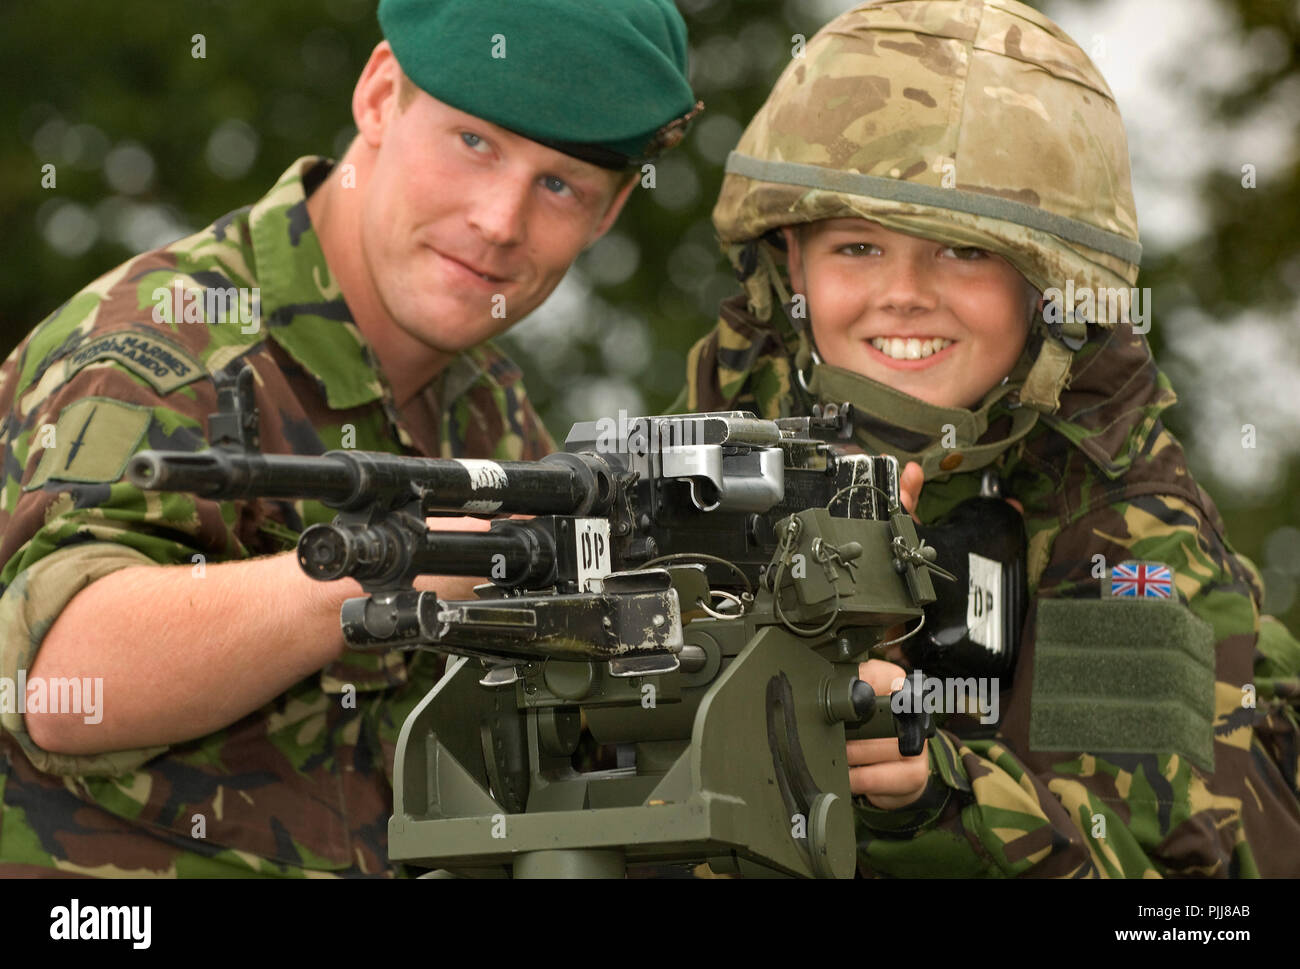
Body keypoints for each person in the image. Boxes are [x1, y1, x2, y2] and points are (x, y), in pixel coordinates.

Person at [0, 0, 699, 876]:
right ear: (378, 97)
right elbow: (63, 688)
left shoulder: (493, 414)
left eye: (560, 185)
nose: (498, 220)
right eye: (473, 143)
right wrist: (408, 558)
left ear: (610, 212)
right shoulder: (166, 341)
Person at [683, 0, 1300, 876]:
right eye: (857, 247)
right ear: (790, 261)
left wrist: (940, 793)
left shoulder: (1127, 526)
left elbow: (1165, 883)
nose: (902, 293)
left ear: (1049, 291)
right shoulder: (730, 421)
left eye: (963, 253)